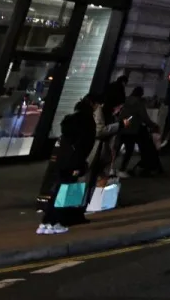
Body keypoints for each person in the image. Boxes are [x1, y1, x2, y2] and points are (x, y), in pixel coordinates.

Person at [38, 94, 97, 235]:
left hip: (62, 160)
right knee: (65, 192)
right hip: (74, 161)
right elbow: (85, 144)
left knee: (58, 190)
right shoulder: (87, 122)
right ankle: (56, 222)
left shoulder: (69, 121)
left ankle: (46, 222)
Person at [119, 86, 164, 176]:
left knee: (124, 149)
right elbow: (144, 117)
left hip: (123, 128)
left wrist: (124, 124)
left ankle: (120, 168)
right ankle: (127, 169)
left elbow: (122, 115)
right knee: (134, 149)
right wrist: (153, 125)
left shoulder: (126, 101)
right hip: (134, 129)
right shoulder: (138, 103)